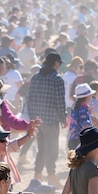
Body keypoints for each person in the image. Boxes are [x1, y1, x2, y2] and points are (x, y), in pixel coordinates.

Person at [28, 52, 65, 185]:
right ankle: (51, 176)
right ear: (56, 63)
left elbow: (29, 99)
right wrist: (63, 119)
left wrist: (32, 118)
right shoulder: (57, 79)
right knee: (52, 149)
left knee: (41, 148)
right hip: (51, 120)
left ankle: (38, 174)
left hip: (37, 120)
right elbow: (60, 102)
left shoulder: (35, 77)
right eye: (59, 64)